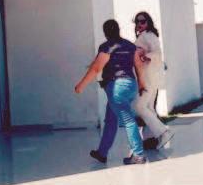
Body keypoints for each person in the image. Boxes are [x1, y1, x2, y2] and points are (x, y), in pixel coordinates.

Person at [74, 19, 148, 165]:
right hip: (130, 85)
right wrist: (141, 84)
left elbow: (96, 68)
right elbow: (138, 65)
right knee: (111, 120)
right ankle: (102, 153)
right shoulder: (129, 45)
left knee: (128, 120)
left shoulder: (107, 46)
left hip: (117, 88)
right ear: (118, 29)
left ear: (106, 32)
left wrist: (81, 85)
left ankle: (138, 154)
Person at [132, 12, 173, 150]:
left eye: (142, 21)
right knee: (149, 108)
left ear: (148, 22)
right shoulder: (145, 36)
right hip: (150, 77)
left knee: (139, 106)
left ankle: (163, 132)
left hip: (148, 78)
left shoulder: (148, 35)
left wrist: (146, 56)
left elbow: (157, 53)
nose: (139, 24)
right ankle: (151, 139)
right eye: (137, 22)